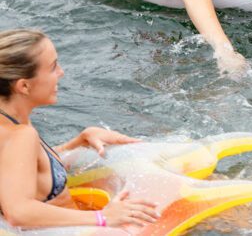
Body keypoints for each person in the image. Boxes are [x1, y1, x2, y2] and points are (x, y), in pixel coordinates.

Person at [0, 28, 159, 229]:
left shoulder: (11, 122)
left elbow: (18, 168)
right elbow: (19, 212)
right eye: (52, 67)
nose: (61, 72)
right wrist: (103, 217)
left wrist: (77, 143)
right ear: (24, 86)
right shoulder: (21, 135)